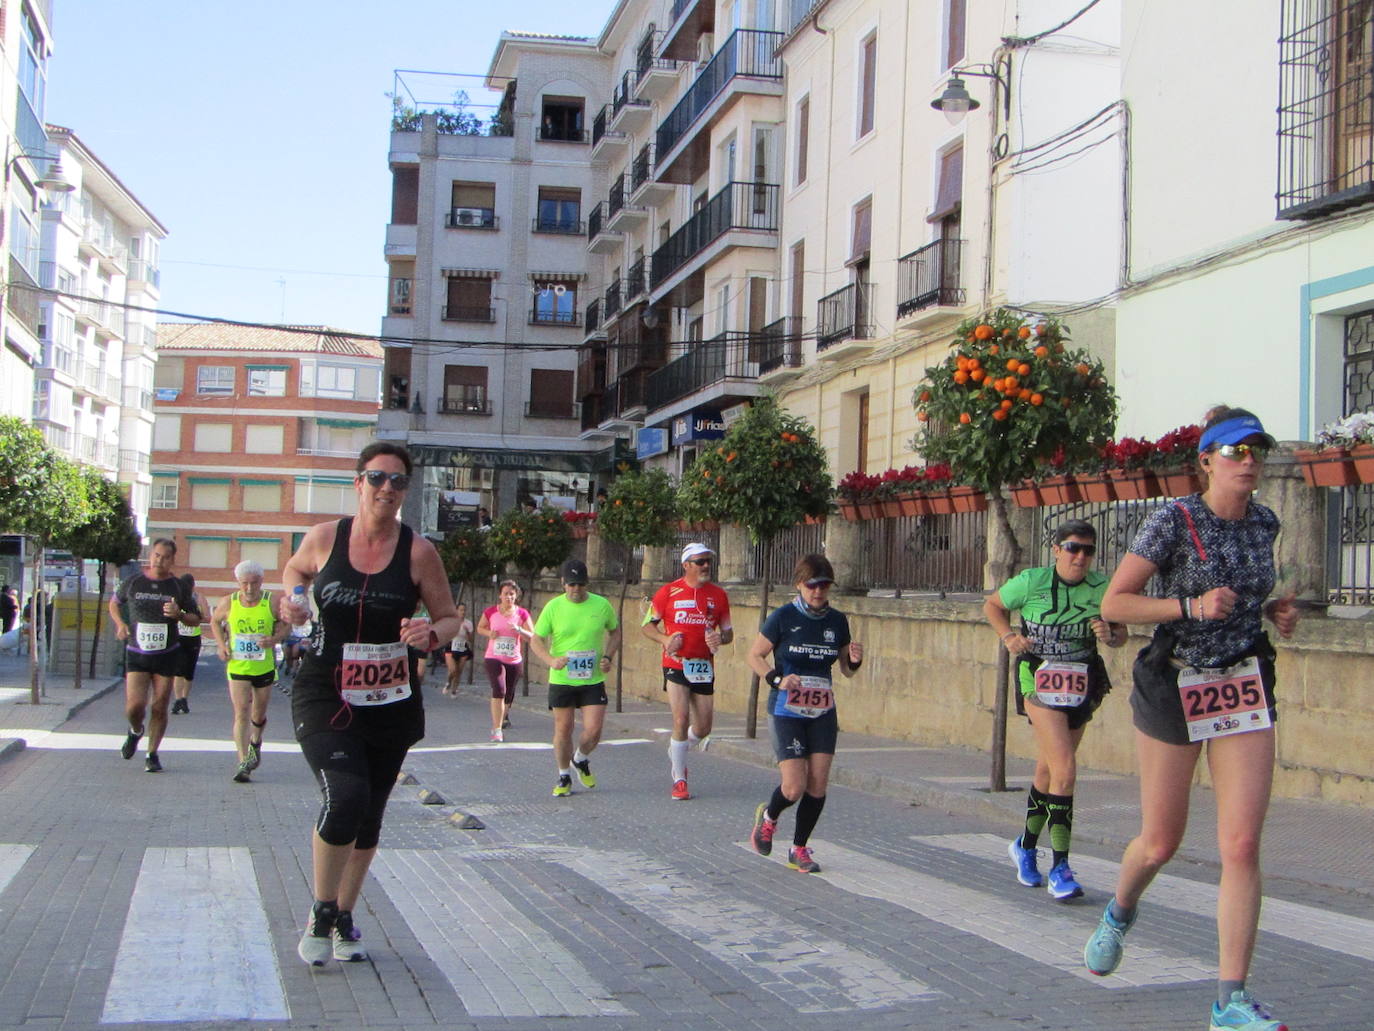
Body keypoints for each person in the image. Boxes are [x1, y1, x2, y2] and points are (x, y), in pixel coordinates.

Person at [1082, 407, 1299, 1031]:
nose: (1248, 460)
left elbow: (1251, 594)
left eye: (1256, 449)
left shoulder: (1264, 521)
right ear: (1206, 461)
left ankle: (1229, 1001)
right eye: (1234, 450)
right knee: (1161, 841)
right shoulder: (1173, 519)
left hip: (1242, 681)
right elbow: (1116, 602)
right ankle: (1120, 911)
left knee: (1242, 843)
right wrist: (1191, 606)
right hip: (1175, 682)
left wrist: (1275, 611)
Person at [281, 441, 460, 966]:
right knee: (345, 795)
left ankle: (344, 914)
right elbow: (294, 572)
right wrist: (295, 602)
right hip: (325, 689)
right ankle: (321, 909)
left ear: (405, 491)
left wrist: (432, 633)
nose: (387, 488)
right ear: (358, 483)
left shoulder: (419, 552)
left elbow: (450, 617)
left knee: (369, 815)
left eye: (398, 481)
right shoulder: (325, 538)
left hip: (389, 699)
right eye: (377, 477)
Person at [983, 519, 1126, 899]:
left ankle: (1025, 846)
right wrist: (1009, 636)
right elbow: (993, 605)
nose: (1081, 557)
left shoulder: (1103, 588)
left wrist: (1110, 634)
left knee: (1049, 769)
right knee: (1065, 770)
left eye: (1088, 550)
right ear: (1057, 550)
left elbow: (1120, 634)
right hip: (1038, 679)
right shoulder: (1033, 581)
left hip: (1082, 683)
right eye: (1074, 548)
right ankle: (1060, 868)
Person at [746, 554, 863, 873]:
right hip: (787, 710)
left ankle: (799, 849)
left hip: (822, 711)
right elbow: (754, 656)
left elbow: (846, 669)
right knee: (794, 787)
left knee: (818, 785)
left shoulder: (837, 621)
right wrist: (777, 679)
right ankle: (768, 818)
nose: (818, 592)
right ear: (799, 584)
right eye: (812, 585)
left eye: (824, 586)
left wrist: (855, 660)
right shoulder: (783, 617)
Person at [642, 542, 734, 800]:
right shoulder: (668, 592)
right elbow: (647, 626)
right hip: (676, 663)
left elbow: (728, 633)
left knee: (703, 727)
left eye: (708, 561)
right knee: (681, 719)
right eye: (700, 561)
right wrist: (665, 640)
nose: (706, 566)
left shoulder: (719, 595)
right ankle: (679, 779)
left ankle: (678, 749)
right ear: (686, 565)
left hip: (703, 665)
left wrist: (720, 638)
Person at [530, 558, 620, 797]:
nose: (576, 589)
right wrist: (550, 660)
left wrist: (608, 656)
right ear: (563, 583)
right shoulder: (553, 607)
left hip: (592, 678)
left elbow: (615, 632)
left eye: (580, 584)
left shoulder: (601, 605)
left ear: (587, 583)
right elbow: (536, 640)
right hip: (562, 679)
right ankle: (563, 776)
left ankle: (579, 758)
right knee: (563, 729)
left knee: (594, 730)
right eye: (571, 584)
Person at [108, 539, 199, 772]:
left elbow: (196, 619)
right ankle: (136, 730)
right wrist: (120, 624)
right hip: (137, 652)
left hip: (166, 654)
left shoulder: (178, 586)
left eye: (166, 557)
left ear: (173, 560)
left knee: (159, 705)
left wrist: (180, 615)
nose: (160, 560)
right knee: (134, 706)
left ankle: (152, 753)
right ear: (150, 556)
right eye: (157, 555)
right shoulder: (134, 581)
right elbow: (114, 604)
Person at [210, 560, 289, 783]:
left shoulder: (272, 601)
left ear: (261, 582)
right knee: (241, 712)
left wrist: (274, 639)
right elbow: (214, 622)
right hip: (238, 666)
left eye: (253, 583)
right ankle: (243, 761)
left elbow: (287, 624)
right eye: (244, 583)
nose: (249, 588)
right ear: (238, 582)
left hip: (263, 667)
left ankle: (256, 741)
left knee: (258, 715)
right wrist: (221, 645)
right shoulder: (229, 602)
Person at [476, 582, 534, 740]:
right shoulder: (491, 612)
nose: (509, 597)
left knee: (508, 693)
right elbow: (480, 627)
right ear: (500, 595)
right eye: (506, 593)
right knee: (499, 689)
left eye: (512, 594)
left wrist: (519, 629)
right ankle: (497, 729)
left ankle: (503, 716)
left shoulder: (522, 614)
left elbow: (532, 636)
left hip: (513, 659)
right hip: (493, 657)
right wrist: (489, 633)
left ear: (516, 596)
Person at [171, 574, 207, 715]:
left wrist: (197, 616)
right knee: (179, 669)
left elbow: (206, 616)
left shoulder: (199, 598)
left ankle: (184, 699)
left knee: (188, 670)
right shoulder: (176, 598)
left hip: (193, 637)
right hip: (179, 636)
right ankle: (178, 699)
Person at [442, 602, 475, 695]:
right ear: (456, 611)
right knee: (453, 670)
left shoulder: (468, 623)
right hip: (451, 646)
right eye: (461, 610)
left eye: (464, 610)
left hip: (462, 647)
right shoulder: (451, 622)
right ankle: (448, 682)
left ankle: (454, 690)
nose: (463, 612)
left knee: (459, 671)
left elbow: (471, 640)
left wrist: (467, 632)